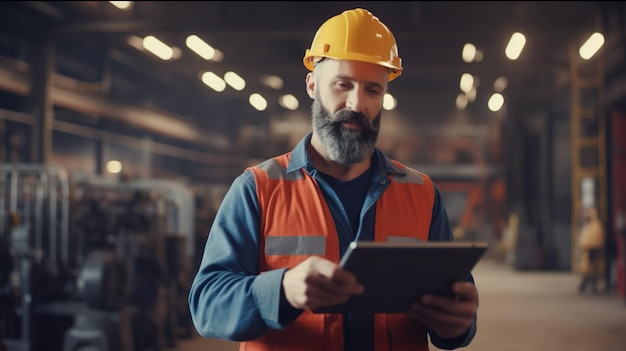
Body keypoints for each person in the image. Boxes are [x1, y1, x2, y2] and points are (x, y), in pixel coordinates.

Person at [188, 8, 479, 351]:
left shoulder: (422, 194)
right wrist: (281, 290)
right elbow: (207, 306)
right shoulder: (259, 189)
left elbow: (452, 309)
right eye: (343, 84)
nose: (357, 103)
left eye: (373, 89)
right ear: (312, 85)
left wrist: (459, 324)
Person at [578, 207, 605, 294]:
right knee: (587, 270)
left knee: (591, 270)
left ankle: (588, 286)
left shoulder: (596, 226)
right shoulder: (588, 226)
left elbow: (597, 239)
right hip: (587, 250)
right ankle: (587, 286)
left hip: (593, 250)